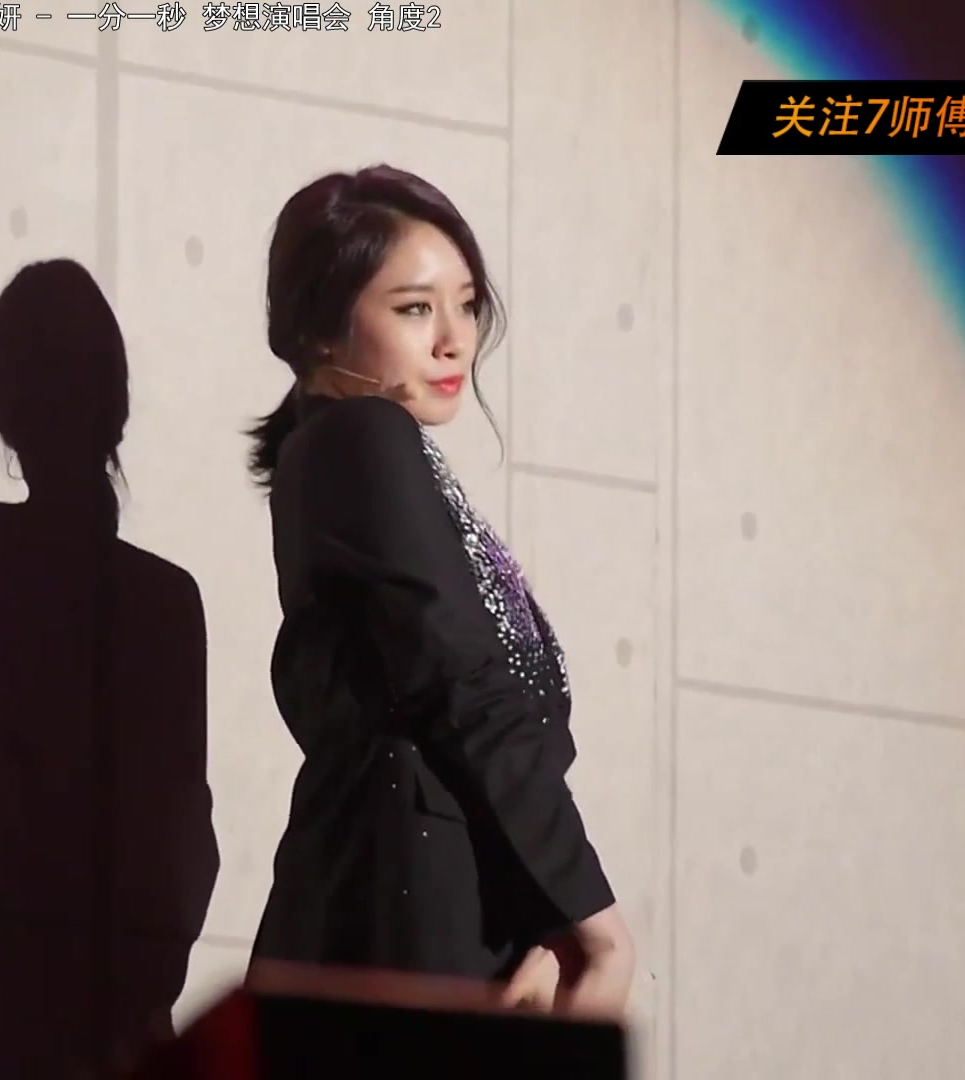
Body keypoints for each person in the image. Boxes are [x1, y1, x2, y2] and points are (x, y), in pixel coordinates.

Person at [244, 166, 634, 1017]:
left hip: (435, 909)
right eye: (416, 308)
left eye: (466, 304)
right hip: (404, 919)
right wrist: (593, 923)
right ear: (319, 327)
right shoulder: (362, 437)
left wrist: (544, 918)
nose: (455, 340)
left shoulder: (356, 451)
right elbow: (466, 685)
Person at [0, 259, 218, 1077]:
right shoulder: (169, 602)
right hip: (126, 1012)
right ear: (119, 405)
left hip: (12, 1006)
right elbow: (186, 840)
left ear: (5, 411)